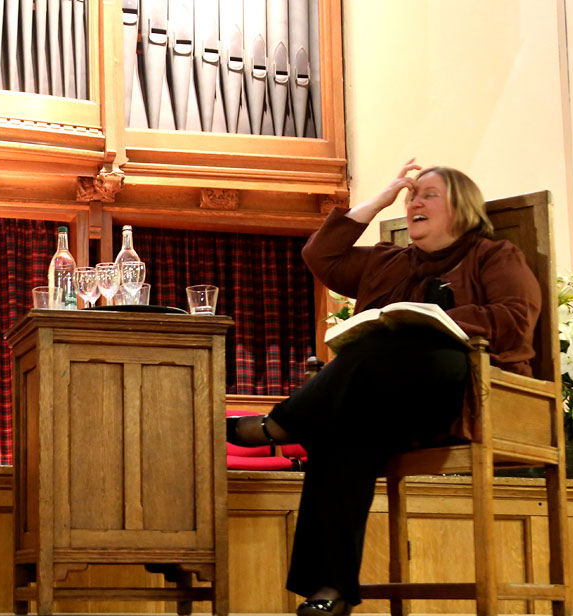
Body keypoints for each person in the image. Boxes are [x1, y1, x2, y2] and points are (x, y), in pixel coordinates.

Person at [227, 159, 541, 616]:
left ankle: (279, 424)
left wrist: (439, 322)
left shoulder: (494, 255)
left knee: (397, 337)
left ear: (463, 207)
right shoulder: (387, 262)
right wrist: (378, 200)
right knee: (341, 434)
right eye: (412, 195)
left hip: (460, 393)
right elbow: (321, 257)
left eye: (428, 194)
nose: (415, 201)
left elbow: (516, 320)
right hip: (387, 402)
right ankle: (329, 590)